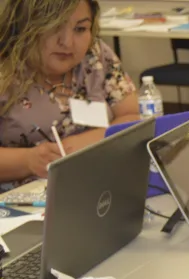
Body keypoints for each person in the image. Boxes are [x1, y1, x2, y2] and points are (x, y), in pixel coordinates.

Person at [0, 0, 140, 193]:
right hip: (20, 202)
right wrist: (28, 161)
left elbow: (131, 116)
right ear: (24, 26)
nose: (67, 42)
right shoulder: (5, 70)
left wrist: (81, 145)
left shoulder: (95, 56)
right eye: (54, 27)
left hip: (96, 184)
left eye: (80, 29)